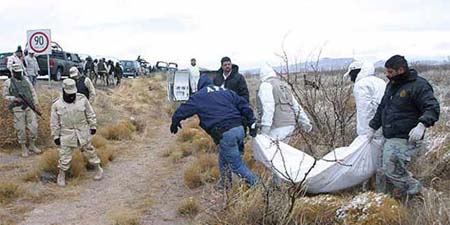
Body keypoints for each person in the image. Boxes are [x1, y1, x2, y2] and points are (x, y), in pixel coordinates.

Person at [368, 55, 440, 196]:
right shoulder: (392, 85)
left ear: (400, 70)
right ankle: (382, 201)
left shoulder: (419, 86)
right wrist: (372, 127)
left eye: (390, 72)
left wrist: (422, 125)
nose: (387, 75)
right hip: (388, 135)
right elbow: (383, 107)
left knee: (392, 170)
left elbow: (432, 107)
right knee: (381, 171)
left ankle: (421, 194)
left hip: (405, 137)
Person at [171, 75, 258, 189]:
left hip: (226, 133)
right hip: (240, 129)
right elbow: (244, 105)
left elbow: (183, 109)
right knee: (223, 155)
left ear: (199, 85)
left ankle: (259, 186)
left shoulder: (199, 96)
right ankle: (225, 183)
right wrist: (252, 122)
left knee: (236, 165)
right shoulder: (226, 91)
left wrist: (175, 121)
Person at [50, 79, 103, 187]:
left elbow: (90, 113)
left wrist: (92, 125)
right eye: (69, 94)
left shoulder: (82, 99)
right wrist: (56, 136)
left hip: (82, 131)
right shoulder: (57, 105)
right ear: (64, 91)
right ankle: (61, 175)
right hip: (66, 133)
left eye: (73, 93)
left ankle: (98, 168)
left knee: (90, 152)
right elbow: (54, 122)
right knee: (64, 156)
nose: (71, 96)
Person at [257, 65, 312, 142]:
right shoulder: (284, 85)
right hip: (290, 126)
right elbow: (296, 106)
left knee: (271, 152)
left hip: (277, 127)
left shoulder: (266, 85)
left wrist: (265, 130)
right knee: (281, 152)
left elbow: (268, 107)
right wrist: (306, 123)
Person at [2, 64, 41, 157]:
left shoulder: (26, 80)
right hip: (17, 108)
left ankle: (32, 145)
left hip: (29, 106)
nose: (19, 74)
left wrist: (35, 103)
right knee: (20, 129)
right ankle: (23, 147)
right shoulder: (8, 82)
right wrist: (14, 99)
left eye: (20, 72)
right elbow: (4, 96)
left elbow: (32, 92)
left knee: (34, 127)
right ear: (13, 72)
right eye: (17, 72)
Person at [344, 61, 386, 136]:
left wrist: (364, 133)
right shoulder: (380, 81)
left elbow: (364, 111)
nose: (351, 79)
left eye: (351, 75)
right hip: (385, 125)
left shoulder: (361, 85)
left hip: (372, 130)